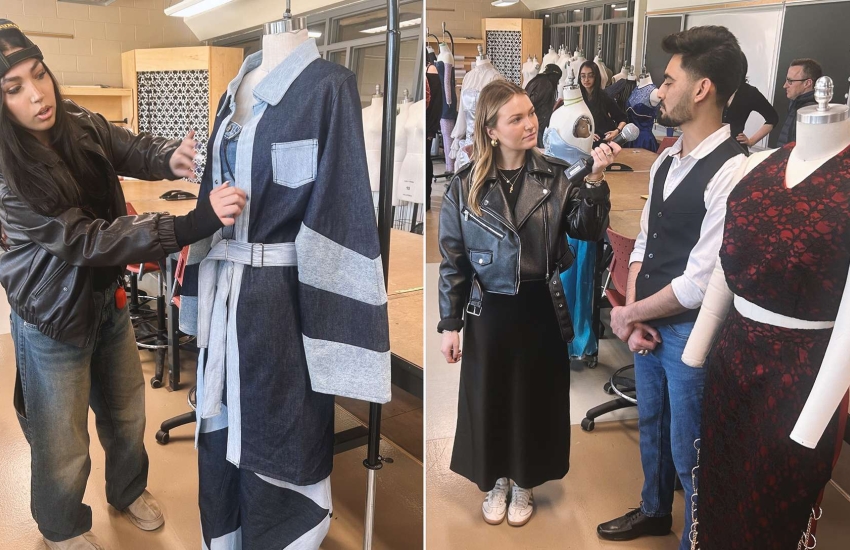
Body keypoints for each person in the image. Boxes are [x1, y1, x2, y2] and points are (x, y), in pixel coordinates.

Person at [0, 20, 246, 550]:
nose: (37, 94)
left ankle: (128, 489)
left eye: (38, 73)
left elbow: (125, 146)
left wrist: (169, 157)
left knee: (126, 411)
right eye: (14, 88)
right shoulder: (7, 172)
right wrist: (189, 224)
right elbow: (85, 239)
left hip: (105, 300)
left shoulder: (76, 120)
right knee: (62, 438)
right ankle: (62, 528)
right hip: (52, 314)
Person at [438, 79, 618, 527]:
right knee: (491, 397)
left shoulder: (556, 175)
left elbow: (587, 230)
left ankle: (525, 480)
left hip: (541, 307)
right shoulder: (465, 185)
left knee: (534, 399)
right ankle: (497, 479)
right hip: (489, 310)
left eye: (530, 114)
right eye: (515, 118)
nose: (529, 123)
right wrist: (449, 323)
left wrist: (595, 182)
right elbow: (453, 259)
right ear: (492, 130)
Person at [596, 26, 747, 549]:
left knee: (691, 451)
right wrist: (634, 313)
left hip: (690, 333)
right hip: (650, 321)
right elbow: (643, 242)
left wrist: (629, 314)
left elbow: (702, 283)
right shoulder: (666, 158)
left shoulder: (732, 172)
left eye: (667, 80)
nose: (657, 92)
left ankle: (697, 540)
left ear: (701, 89)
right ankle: (655, 511)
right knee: (653, 428)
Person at [723, 51, 778, 152]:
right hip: (711, 146)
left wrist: (752, 141)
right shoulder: (714, 89)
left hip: (736, 149)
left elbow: (773, 118)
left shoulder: (750, 93)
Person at [578, 60, 627, 147]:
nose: (586, 79)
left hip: (602, 143)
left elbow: (623, 119)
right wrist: (586, 134)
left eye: (590, 76)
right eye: (583, 76)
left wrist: (616, 131)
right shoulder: (577, 97)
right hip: (582, 143)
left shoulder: (605, 97)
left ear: (596, 77)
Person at [776, 58, 821, 147]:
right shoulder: (796, 103)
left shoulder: (810, 112)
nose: (785, 85)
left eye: (790, 81)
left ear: (807, 83)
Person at [525, 63, 561, 148]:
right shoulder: (546, 84)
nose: (558, 82)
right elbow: (535, 104)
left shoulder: (537, 80)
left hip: (534, 121)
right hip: (538, 123)